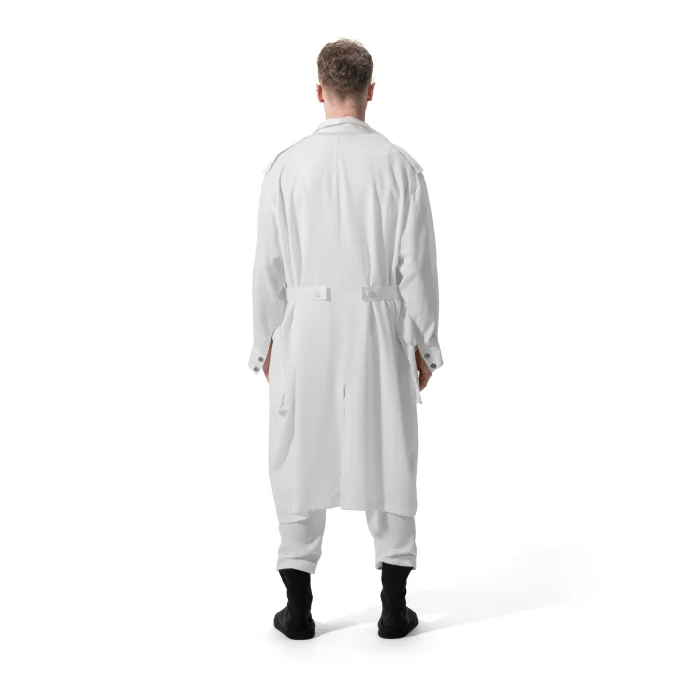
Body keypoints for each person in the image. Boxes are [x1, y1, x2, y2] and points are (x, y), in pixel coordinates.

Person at [249, 38, 443, 640]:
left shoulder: (285, 168)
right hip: (377, 326)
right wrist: (425, 345)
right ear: (370, 91)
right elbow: (417, 269)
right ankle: (393, 607)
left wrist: (264, 341)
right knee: (388, 450)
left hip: (304, 328)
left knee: (297, 452)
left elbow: (268, 267)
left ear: (318, 90)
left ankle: (298, 608)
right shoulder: (400, 167)